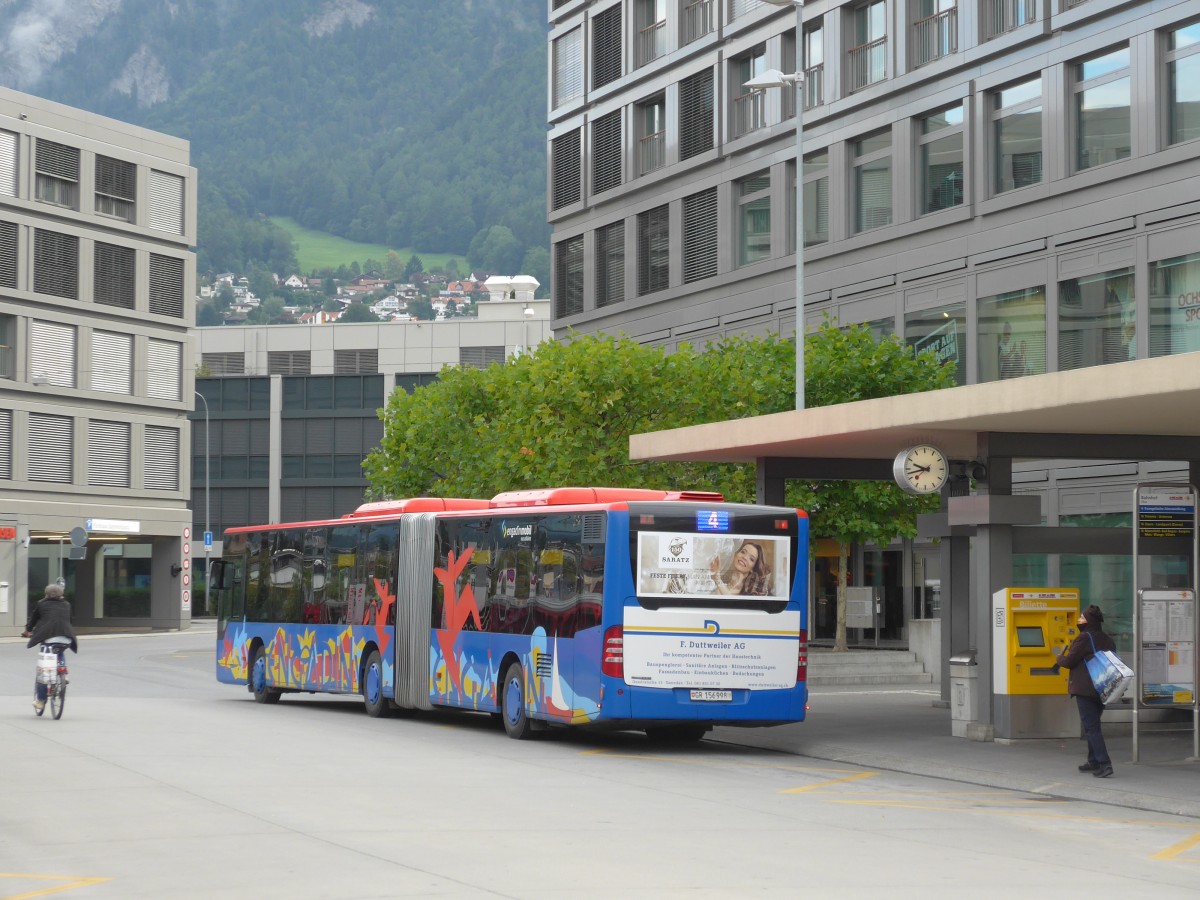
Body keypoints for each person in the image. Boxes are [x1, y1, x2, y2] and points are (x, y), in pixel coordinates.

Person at [1054, 604, 1115, 778]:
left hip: (1085, 689)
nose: (1079, 620)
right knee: (1093, 725)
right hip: (1102, 688)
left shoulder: (1084, 638)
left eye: (1082, 618)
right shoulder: (1107, 639)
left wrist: (1059, 657)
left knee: (1092, 728)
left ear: (1089, 621)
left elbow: (1068, 661)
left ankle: (1104, 763)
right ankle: (1093, 761)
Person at [21, 583, 78, 715]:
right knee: (59, 651)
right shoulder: (67, 604)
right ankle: (63, 672)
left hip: (48, 637)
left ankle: (40, 700)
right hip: (66, 636)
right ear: (61, 594)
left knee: (44, 670)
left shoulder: (41, 604)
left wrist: (27, 631)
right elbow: (69, 620)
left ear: (46, 594)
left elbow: (33, 620)